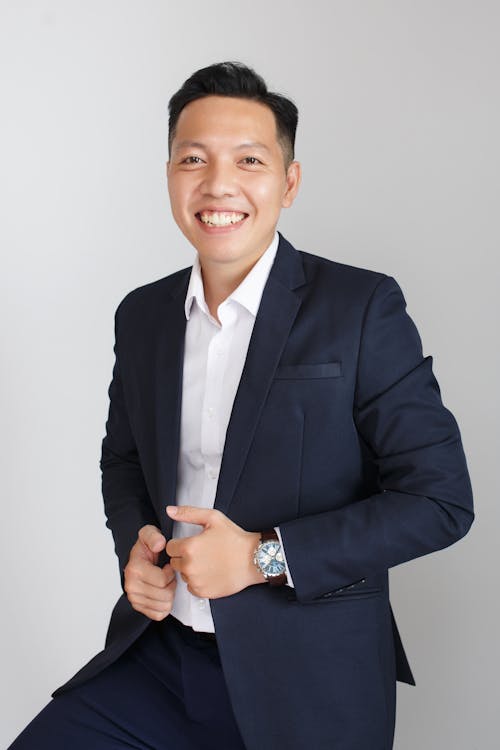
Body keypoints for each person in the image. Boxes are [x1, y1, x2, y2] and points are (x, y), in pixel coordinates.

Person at [9, 61, 474, 750]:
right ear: (170, 173)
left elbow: (441, 502)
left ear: (288, 182)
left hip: (307, 681)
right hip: (159, 663)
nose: (218, 184)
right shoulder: (142, 316)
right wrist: (135, 547)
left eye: (248, 160)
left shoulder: (360, 307)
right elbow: (125, 459)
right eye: (193, 159)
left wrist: (265, 558)